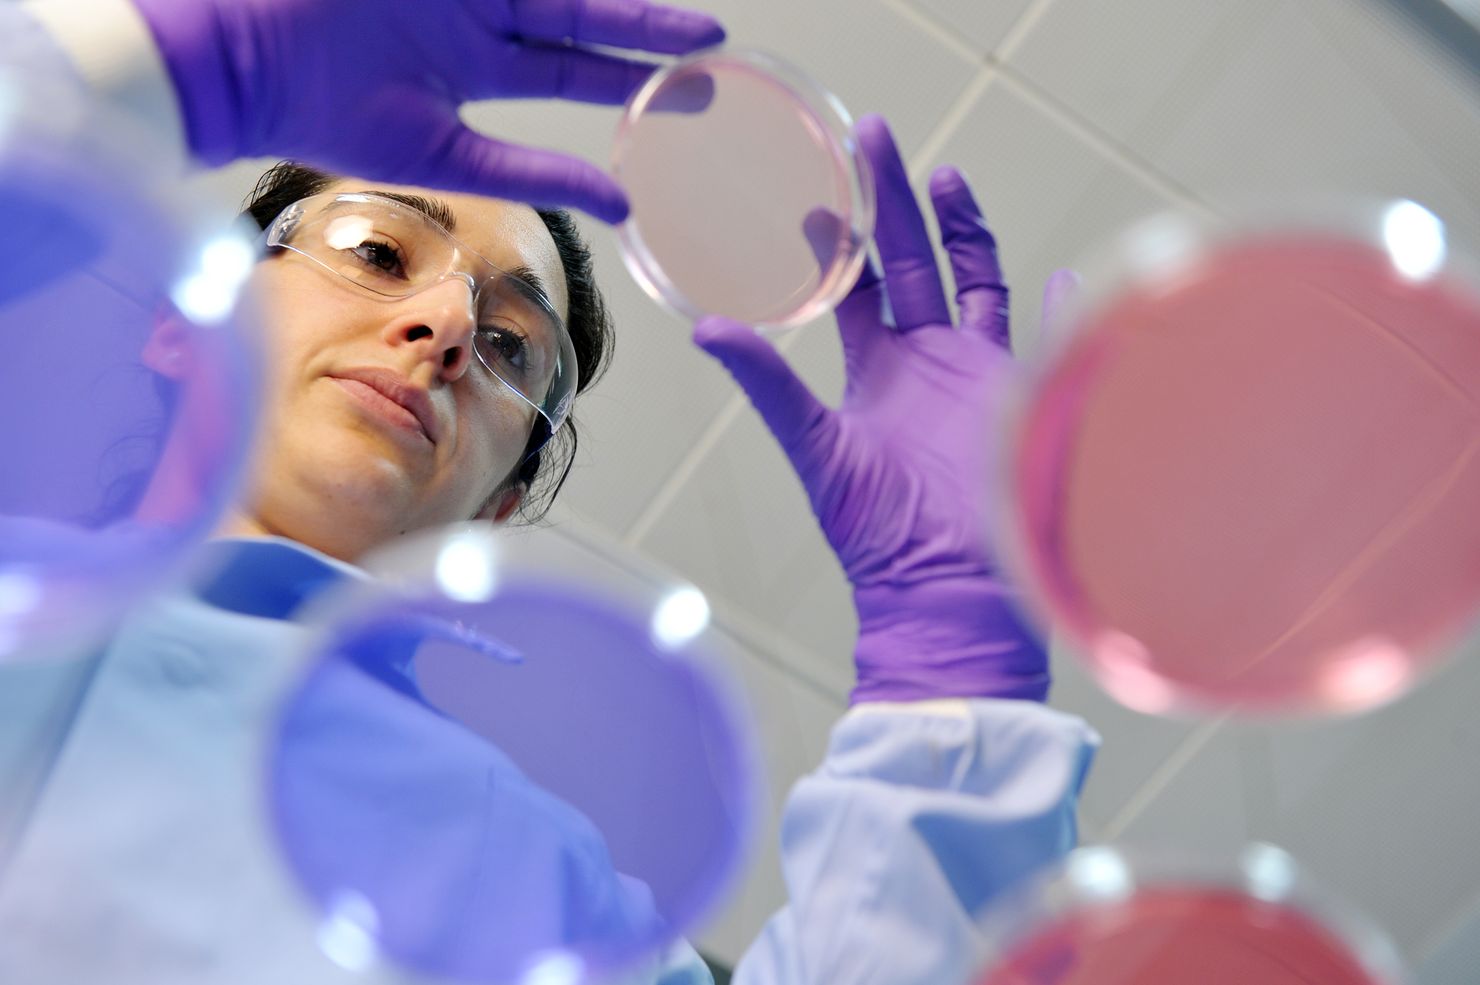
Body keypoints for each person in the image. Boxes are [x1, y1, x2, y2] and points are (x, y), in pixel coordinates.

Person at [0, 1, 1100, 983]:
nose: (446, 328)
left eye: (515, 349)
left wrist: (948, 683)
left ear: (497, 503)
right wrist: (121, 57)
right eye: (380, 252)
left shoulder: (536, 881)